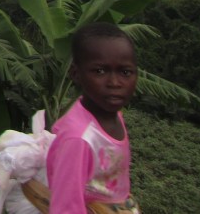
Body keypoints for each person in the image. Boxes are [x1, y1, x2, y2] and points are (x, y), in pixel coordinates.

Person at [46, 23, 140, 214]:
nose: (114, 83)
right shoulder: (79, 139)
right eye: (99, 71)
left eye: (125, 72)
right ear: (76, 74)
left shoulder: (114, 116)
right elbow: (65, 208)